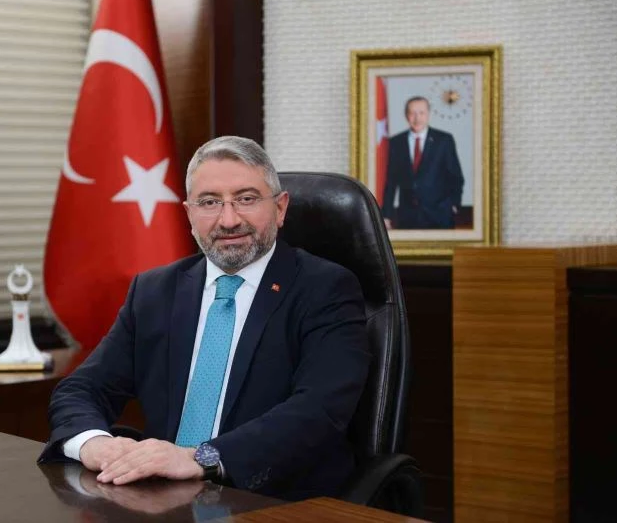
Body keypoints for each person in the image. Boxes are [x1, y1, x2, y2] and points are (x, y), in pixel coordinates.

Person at [38, 136, 371, 501]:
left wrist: (201, 458)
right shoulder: (155, 291)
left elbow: (319, 411)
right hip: (165, 498)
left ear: (280, 208)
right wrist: (94, 444)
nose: (228, 220)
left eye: (246, 199)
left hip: (273, 500)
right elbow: (83, 389)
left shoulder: (325, 288)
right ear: (189, 215)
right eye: (210, 202)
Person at [382, 96, 464, 229]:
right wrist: (386, 215)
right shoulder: (396, 142)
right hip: (407, 216)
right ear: (406, 116)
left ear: (428, 114)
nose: (417, 118)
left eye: (421, 113)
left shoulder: (444, 140)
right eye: (412, 113)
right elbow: (391, 182)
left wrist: (454, 205)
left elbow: (455, 177)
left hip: (440, 215)